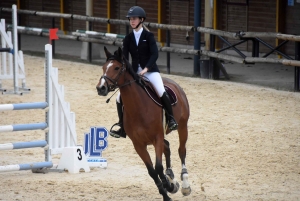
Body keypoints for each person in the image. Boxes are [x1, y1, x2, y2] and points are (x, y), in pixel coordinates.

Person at [110, 6, 178, 138]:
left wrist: (146, 69)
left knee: (160, 90)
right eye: (130, 19)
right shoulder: (128, 38)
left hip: (151, 71)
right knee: (119, 97)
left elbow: (155, 54)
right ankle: (122, 126)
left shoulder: (149, 36)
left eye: (134, 19)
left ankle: (171, 119)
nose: (132, 21)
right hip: (135, 73)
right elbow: (124, 56)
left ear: (141, 19)